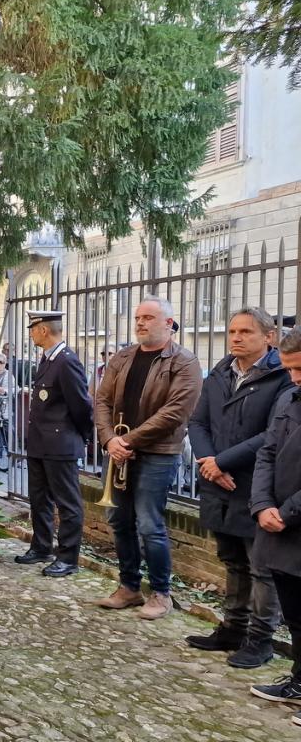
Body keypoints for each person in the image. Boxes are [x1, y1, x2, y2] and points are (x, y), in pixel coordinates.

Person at [186, 307, 290, 668]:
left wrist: (222, 462)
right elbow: (197, 423)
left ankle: (261, 640)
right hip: (219, 482)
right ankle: (232, 629)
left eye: (246, 331)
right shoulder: (219, 372)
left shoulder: (282, 377)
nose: (236, 338)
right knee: (231, 561)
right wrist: (210, 464)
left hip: (256, 485)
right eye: (232, 331)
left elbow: (272, 435)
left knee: (261, 567)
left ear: (269, 336)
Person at [92, 296, 202, 620]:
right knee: (117, 519)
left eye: (149, 318)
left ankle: (161, 594)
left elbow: (174, 413)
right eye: (138, 317)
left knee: (149, 523)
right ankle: (129, 587)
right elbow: (101, 400)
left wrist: (125, 439)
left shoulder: (184, 361)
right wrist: (110, 439)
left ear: (168, 323)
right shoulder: (123, 357)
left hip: (158, 453)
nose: (140, 323)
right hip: (118, 450)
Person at [15, 311, 94, 578]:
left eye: (33, 329)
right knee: (39, 499)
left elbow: (82, 406)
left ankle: (68, 558)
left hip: (61, 443)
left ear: (44, 330)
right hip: (40, 442)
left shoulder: (66, 361)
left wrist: (79, 437)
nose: (31, 333)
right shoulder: (47, 360)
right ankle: (41, 547)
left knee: (67, 503)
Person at [248, 327, 301, 724]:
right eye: (288, 369)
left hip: (293, 518)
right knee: (295, 611)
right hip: (278, 523)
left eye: (299, 368)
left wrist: (287, 511)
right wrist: (263, 504)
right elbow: (267, 452)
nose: (294, 377)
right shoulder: (288, 396)